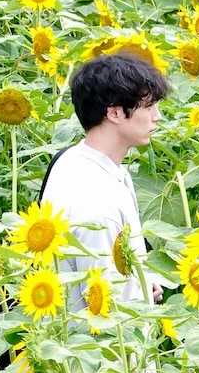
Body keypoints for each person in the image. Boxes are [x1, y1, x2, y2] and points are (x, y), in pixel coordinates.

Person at [42, 52, 169, 308]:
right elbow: (105, 305)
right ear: (115, 113)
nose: (157, 116)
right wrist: (137, 299)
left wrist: (142, 285)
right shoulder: (98, 200)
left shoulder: (71, 161)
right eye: (148, 107)